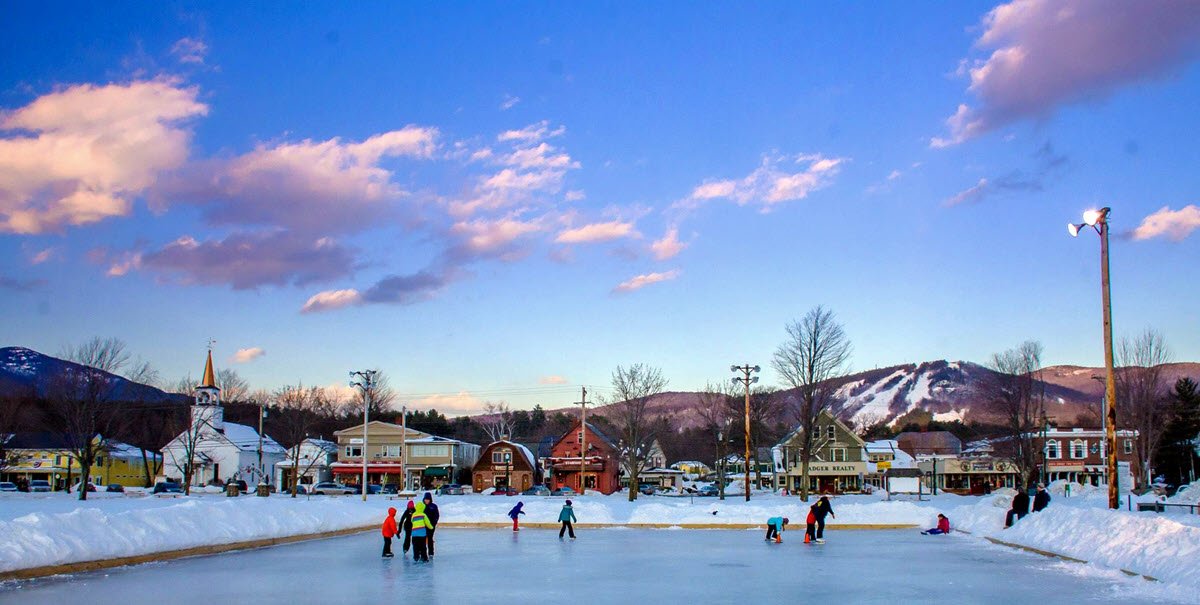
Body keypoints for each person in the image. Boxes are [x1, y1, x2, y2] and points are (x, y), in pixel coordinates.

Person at [423, 492, 441, 557]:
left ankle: (431, 552)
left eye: (428, 499)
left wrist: (434, 522)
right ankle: (422, 552)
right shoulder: (422, 506)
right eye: (425, 499)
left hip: (431, 526)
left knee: (430, 539)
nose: (426, 501)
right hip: (423, 526)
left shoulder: (433, 506)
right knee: (423, 539)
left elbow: (437, 515)